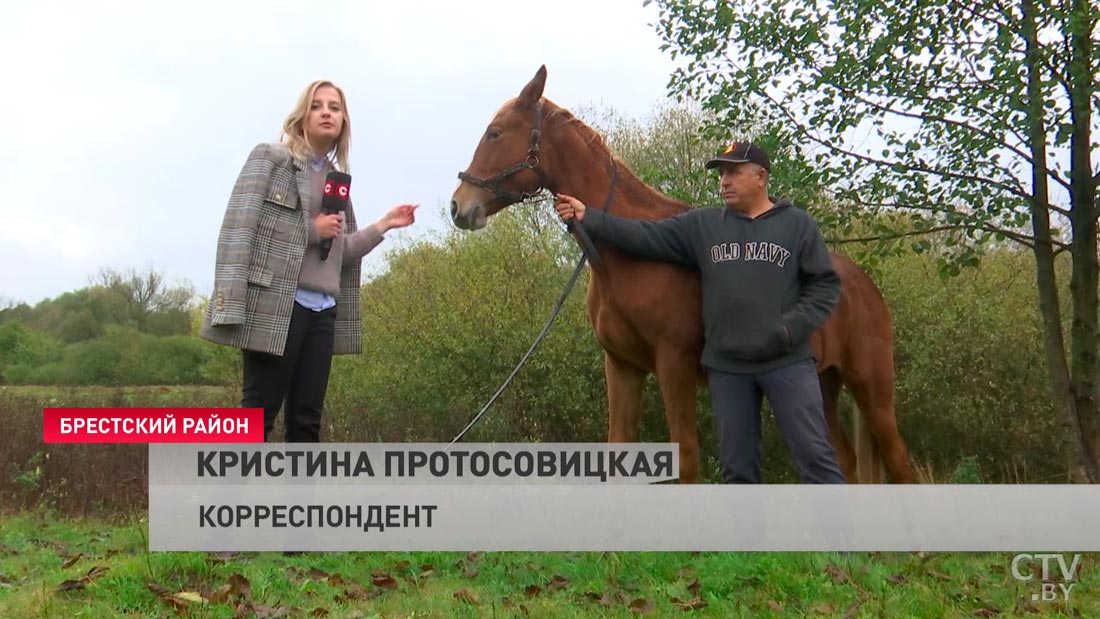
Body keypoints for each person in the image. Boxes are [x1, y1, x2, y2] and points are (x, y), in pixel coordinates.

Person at [554, 142, 846, 484]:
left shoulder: (796, 225)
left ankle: (840, 538)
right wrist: (588, 216)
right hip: (729, 367)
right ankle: (748, 539)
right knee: (737, 471)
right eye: (722, 173)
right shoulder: (703, 226)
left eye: (734, 172)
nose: (724, 181)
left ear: (761, 177)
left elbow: (825, 286)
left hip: (786, 361)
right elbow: (642, 234)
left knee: (815, 458)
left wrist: (789, 329)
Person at [200, 80, 418, 442]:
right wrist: (312, 229)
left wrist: (385, 224)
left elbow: (340, 253)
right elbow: (240, 231)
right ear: (302, 116)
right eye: (318, 106)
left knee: (306, 423)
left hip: (323, 313)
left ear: (343, 121)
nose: (327, 112)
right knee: (257, 417)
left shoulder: (337, 182)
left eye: (335, 107)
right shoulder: (271, 159)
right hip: (278, 307)